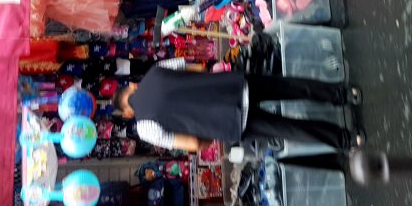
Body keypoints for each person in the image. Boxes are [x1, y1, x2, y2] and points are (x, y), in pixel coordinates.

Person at [113, 58, 365, 153]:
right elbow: (198, 68)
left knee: (289, 129)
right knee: (291, 87)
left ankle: (348, 139)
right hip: (231, 86)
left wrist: (209, 136)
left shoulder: (144, 128)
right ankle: (345, 95)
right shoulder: (155, 71)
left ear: (127, 112)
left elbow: (191, 143)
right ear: (132, 87)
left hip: (229, 122)